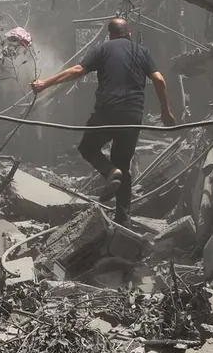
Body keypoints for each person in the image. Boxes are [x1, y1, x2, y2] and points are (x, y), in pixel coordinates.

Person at [30, 18, 175, 224]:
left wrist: (45, 83)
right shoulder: (142, 52)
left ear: (110, 34)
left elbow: (77, 71)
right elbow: (159, 80)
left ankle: (110, 172)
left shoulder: (103, 49)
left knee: (88, 148)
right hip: (133, 116)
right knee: (123, 164)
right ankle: (123, 217)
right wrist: (165, 111)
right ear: (129, 34)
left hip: (107, 112)